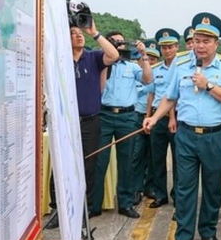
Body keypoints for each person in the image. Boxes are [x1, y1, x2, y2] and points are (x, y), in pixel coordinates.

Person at [144, 13, 221, 240]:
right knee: (185, 188)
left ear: (216, 44)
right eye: (197, 40)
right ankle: (183, 237)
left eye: (206, 41)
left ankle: (208, 231)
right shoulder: (180, 64)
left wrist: (208, 85)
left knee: (212, 187)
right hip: (186, 135)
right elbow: (170, 97)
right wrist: (154, 118)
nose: (200, 45)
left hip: (215, 136)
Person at [46, 21, 120, 229]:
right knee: (60, 166)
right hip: (64, 123)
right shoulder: (59, 60)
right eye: (73, 33)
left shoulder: (94, 57)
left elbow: (114, 55)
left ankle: (83, 212)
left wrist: (94, 32)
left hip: (90, 122)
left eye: (80, 33)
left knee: (88, 166)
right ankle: (57, 211)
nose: (78, 36)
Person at [92, 32, 152, 219]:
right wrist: (106, 60)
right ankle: (94, 204)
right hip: (104, 115)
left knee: (126, 162)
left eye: (121, 42)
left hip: (127, 116)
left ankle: (125, 203)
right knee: (99, 161)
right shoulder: (99, 64)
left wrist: (144, 55)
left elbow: (147, 80)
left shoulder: (131, 66)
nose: (118, 45)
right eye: (114, 42)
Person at [147, 28, 182, 209]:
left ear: (177, 47)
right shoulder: (155, 69)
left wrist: (171, 117)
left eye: (170, 47)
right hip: (157, 118)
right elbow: (151, 95)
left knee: (179, 159)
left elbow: (174, 96)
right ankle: (160, 194)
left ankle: (178, 194)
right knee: (157, 158)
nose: (167, 51)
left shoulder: (183, 66)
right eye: (164, 48)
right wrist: (148, 118)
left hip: (176, 117)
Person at [130, 41, 160, 206]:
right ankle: (136, 188)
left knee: (153, 155)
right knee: (137, 154)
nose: (151, 61)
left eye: (155, 58)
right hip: (137, 116)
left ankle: (150, 187)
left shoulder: (159, 74)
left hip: (153, 117)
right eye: (148, 58)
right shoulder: (134, 73)